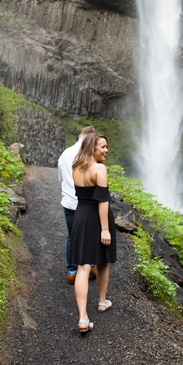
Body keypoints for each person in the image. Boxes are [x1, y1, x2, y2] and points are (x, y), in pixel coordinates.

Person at [70, 134, 116, 332]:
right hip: (97, 218)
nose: (106, 150)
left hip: (80, 217)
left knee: (83, 266)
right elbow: (102, 200)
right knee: (103, 259)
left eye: (107, 147)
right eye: (102, 147)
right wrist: (105, 229)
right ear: (92, 148)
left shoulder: (76, 167)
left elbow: (82, 196)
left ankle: (82, 318)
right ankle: (102, 301)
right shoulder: (99, 169)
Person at [57, 126, 97, 285]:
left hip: (69, 202)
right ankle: (90, 266)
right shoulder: (90, 155)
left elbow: (60, 179)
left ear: (80, 135)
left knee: (72, 236)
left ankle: (72, 271)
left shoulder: (65, 154)